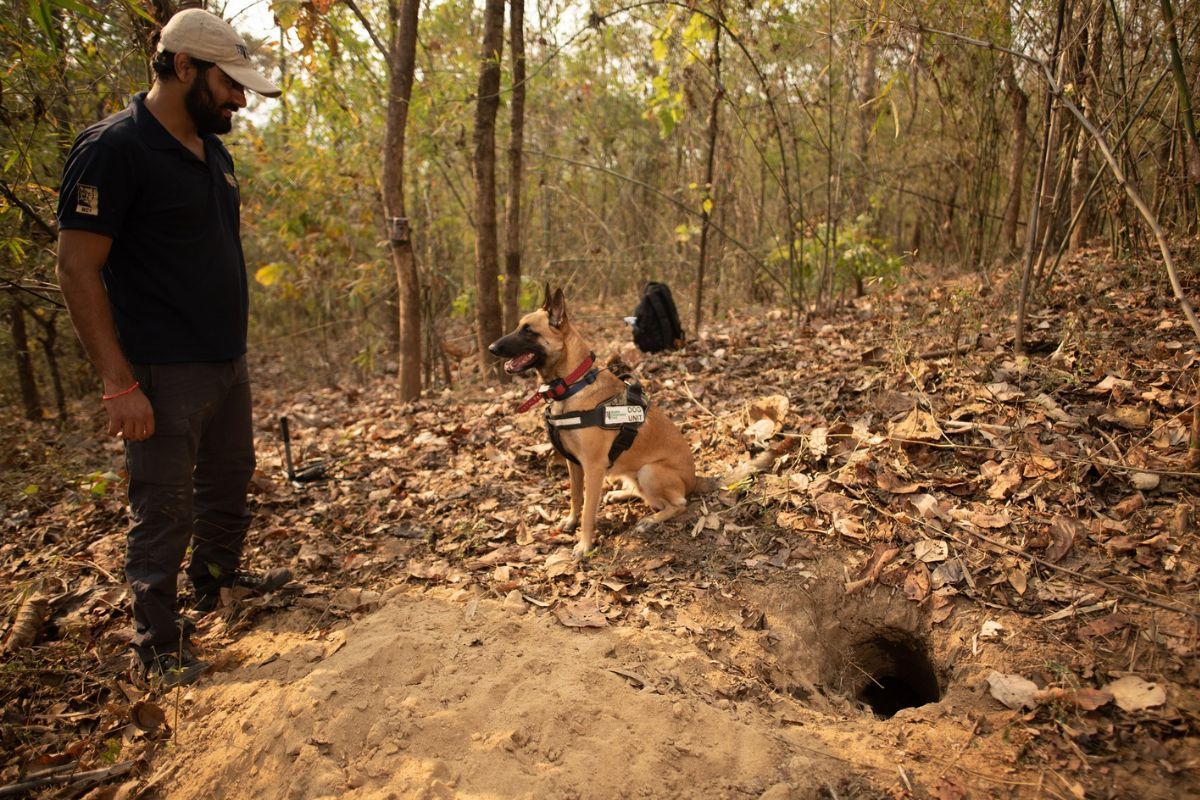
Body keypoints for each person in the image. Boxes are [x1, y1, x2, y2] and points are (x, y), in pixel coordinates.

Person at [56, 9, 290, 687]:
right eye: (230, 85)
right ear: (183, 67)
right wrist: (117, 381)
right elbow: (76, 267)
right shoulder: (114, 149)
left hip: (225, 357)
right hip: (161, 365)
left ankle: (218, 579)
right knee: (163, 504)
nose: (241, 101)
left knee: (228, 478)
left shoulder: (212, 151)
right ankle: (156, 641)